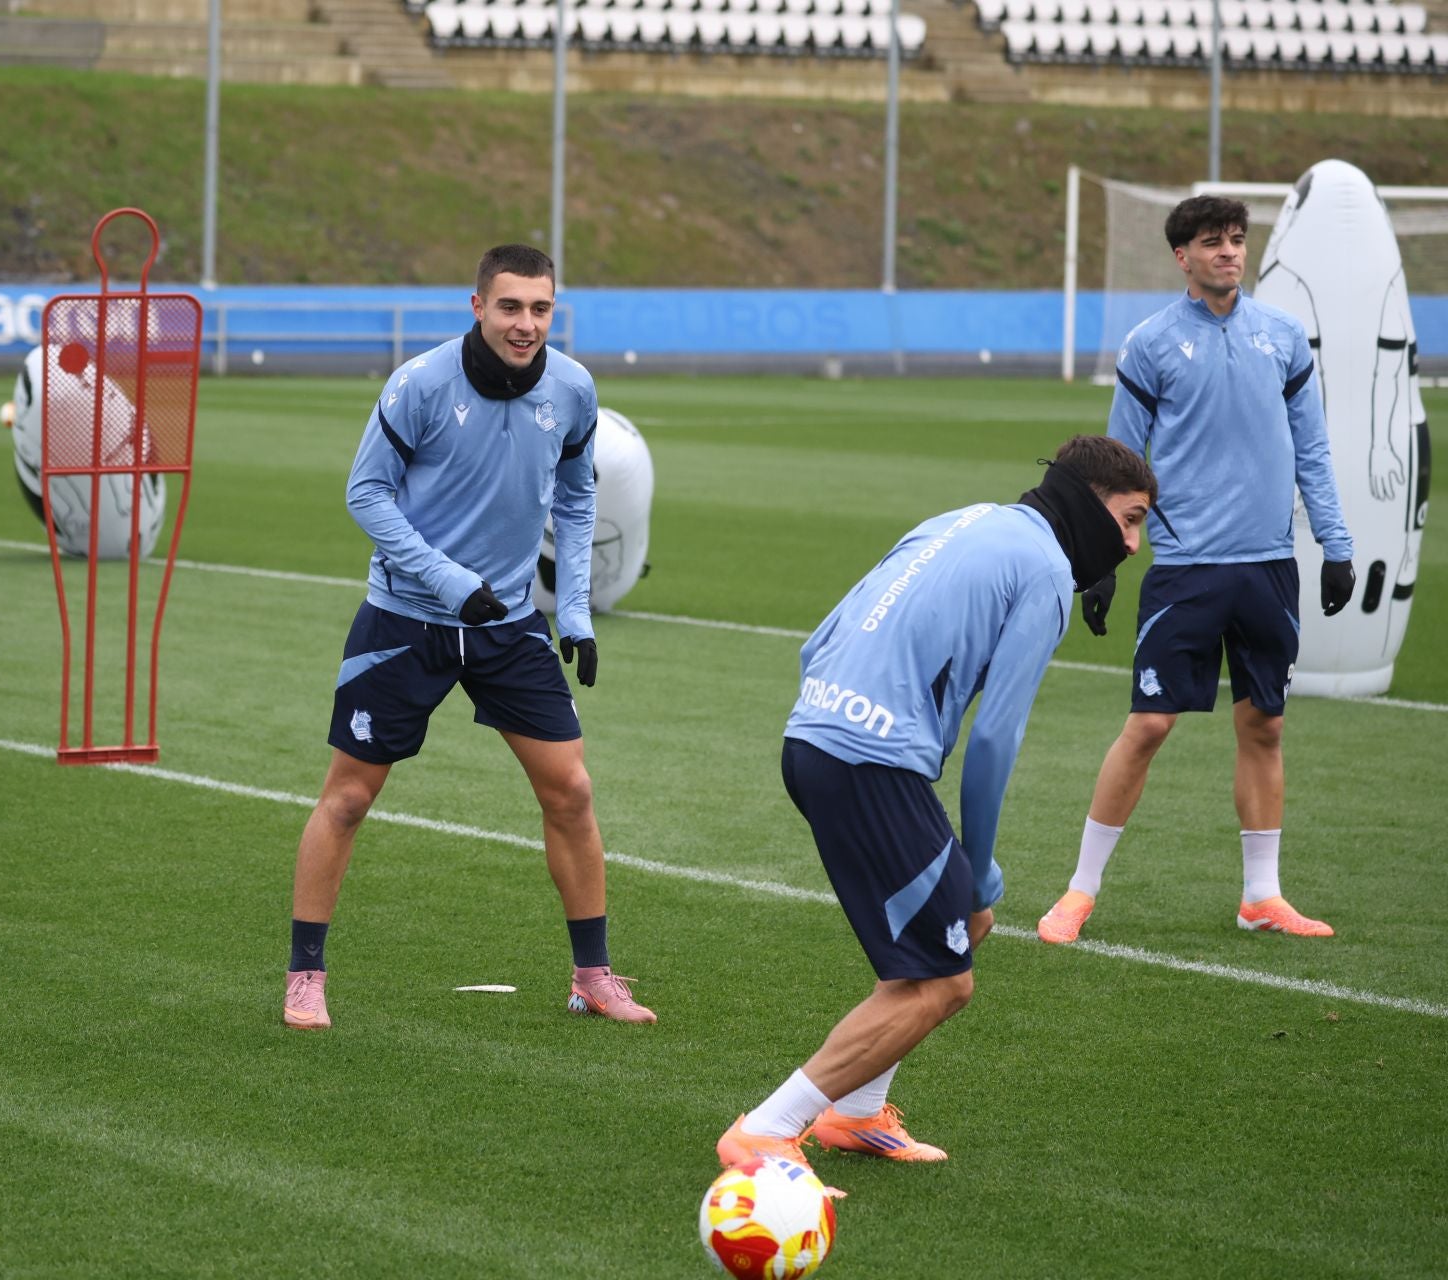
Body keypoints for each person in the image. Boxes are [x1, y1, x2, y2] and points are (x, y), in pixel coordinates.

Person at [718, 437, 1156, 1174]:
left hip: (813, 740)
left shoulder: (961, 518)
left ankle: (855, 1113)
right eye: (1130, 519)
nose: (1134, 545)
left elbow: (819, 641)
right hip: (870, 765)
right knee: (948, 982)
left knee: (961, 928)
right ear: (1088, 504)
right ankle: (767, 1128)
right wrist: (977, 863)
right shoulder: (1046, 570)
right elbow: (994, 741)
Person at [281, 244, 655, 1031]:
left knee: (573, 792)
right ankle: (305, 975)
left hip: (511, 625)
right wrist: (451, 583)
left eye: (541, 309)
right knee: (348, 798)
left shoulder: (574, 389)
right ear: (478, 305)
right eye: (511, 306)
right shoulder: (420, 383)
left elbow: (580, 500)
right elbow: (366, 494)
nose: (526, 324)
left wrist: (577, 612)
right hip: (405, 619)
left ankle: (593, 975)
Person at [1038, 196, 1357, 947]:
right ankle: (1080, 891)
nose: (1229, 253)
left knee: (1265, 725)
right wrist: (1102, 562)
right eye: (1212, 242)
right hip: (1185, 569)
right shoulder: (1149, 345)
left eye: (1238, 241)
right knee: (1149, 723)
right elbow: (1118, 466)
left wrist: (1336, 546)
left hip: (1268, 567)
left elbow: (1311, 447)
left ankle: (1262, 896)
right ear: (1182, 256)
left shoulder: (1282, 337)